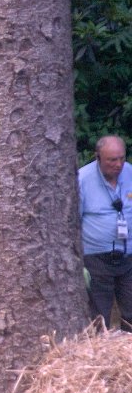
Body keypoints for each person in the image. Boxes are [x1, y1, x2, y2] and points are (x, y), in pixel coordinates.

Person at [79, 135, 132, 330]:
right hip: (96, 259)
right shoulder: (82, 179)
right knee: (98, 315)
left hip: (128, 257)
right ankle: (97, 357)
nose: (118, 164)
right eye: (112, 160)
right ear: (98, 157)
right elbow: (72, 222)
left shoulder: (130, 173)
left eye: (121, 158)